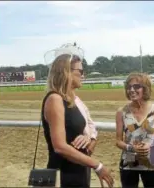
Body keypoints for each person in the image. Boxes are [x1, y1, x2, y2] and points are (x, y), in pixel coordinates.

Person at [41, 44, 114, 188]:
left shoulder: (71, 99)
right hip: (63, 174)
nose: (83, 75)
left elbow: (77, 130)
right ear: (66, 72)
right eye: (80, 71)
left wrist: (87, 137)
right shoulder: (55, 99)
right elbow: (60, 146)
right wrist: (97, 166)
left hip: (78, 169)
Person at [115, 72, 154, 188]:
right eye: (129, 87)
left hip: (151, 162)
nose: (131, 90)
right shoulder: (121, 112)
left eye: (136, 86)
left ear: (145, 89)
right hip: (129, 162)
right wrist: (131, 148)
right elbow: (118, 141)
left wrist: (151, 146)